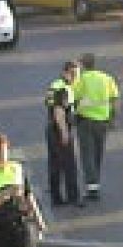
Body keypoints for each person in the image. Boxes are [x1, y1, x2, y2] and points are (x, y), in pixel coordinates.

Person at [74, 52, 119, 201]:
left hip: (85, 121)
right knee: (98, 153)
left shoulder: (81, 79)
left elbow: (74, 97)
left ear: (83, 65)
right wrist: (113, 118)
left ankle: (92, 188)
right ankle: (95, 182)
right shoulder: (107, 78)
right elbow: (114, 100)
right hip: (103, 122)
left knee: (87, 155)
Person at [45, 60, 81, 208]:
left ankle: (56, 198)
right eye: (73, 74)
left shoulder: (55, 85)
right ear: (65, 72)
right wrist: (64, 132)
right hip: (60, 130)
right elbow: (58, 111)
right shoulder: (63, 89)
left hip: (51, 130)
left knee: (55, 165)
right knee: (69, 165)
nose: (75, 77)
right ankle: (74, 198)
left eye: (77, 74)